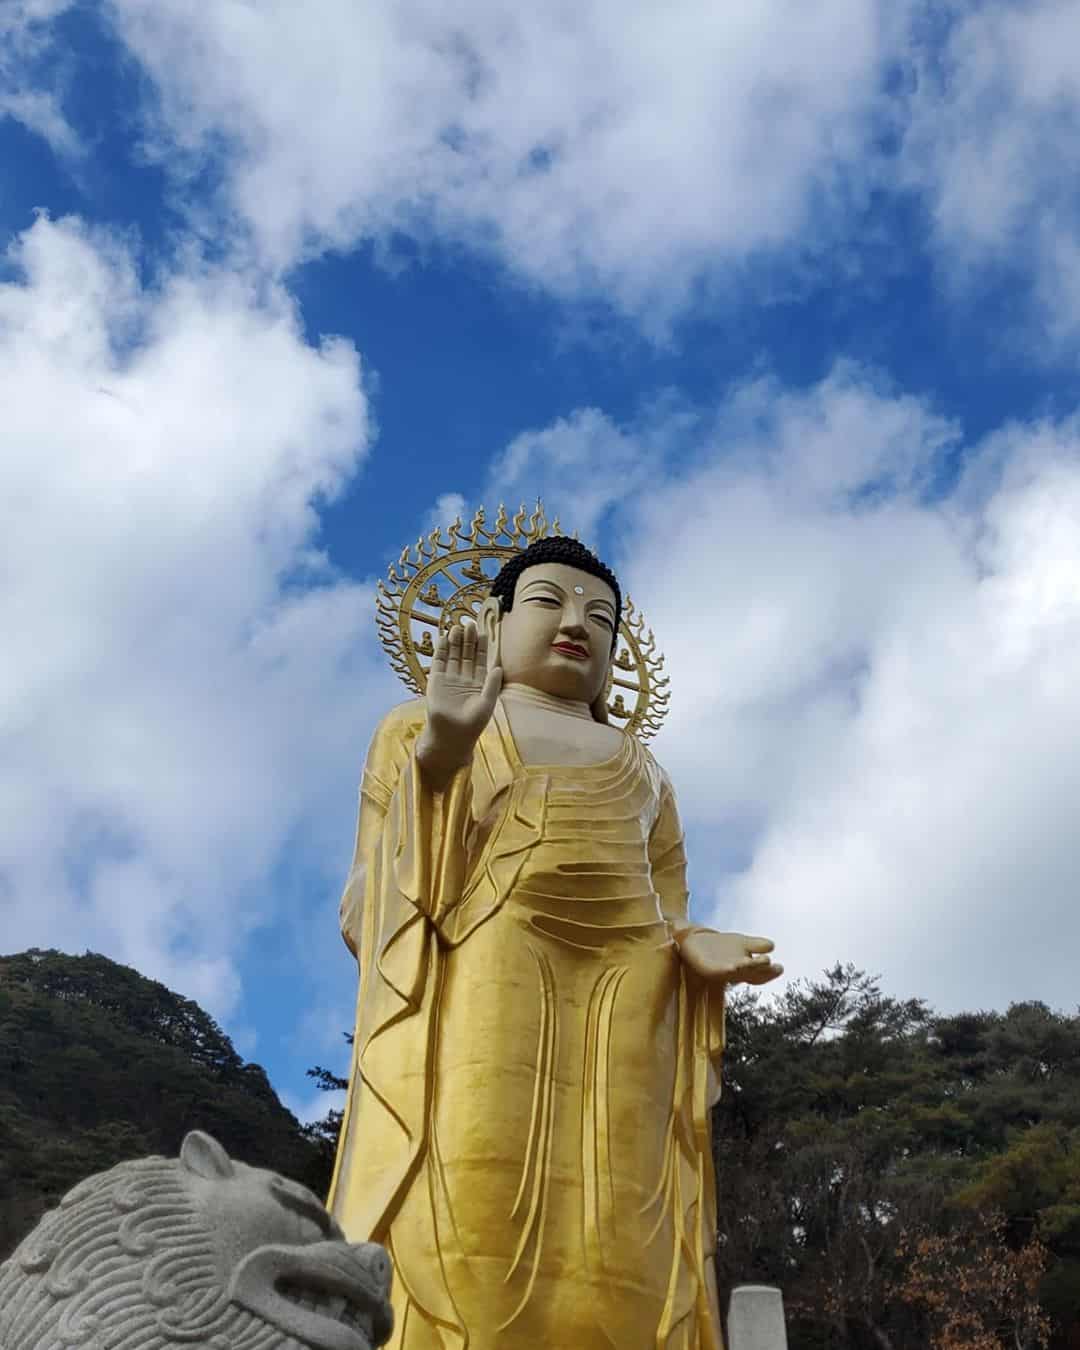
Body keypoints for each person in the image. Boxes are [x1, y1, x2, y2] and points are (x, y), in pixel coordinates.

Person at [328, 536, 782, 1349]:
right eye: (549, 601)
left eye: (600, 616)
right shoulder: (415, 724)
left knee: (622, 1218)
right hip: (488, 957)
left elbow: (671, 902)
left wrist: (697, 948)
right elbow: (372, 899)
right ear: (492, 623)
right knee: (471, 1194)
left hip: (634, 986)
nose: (577, 623)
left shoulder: (645, 770)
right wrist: (442, 752)